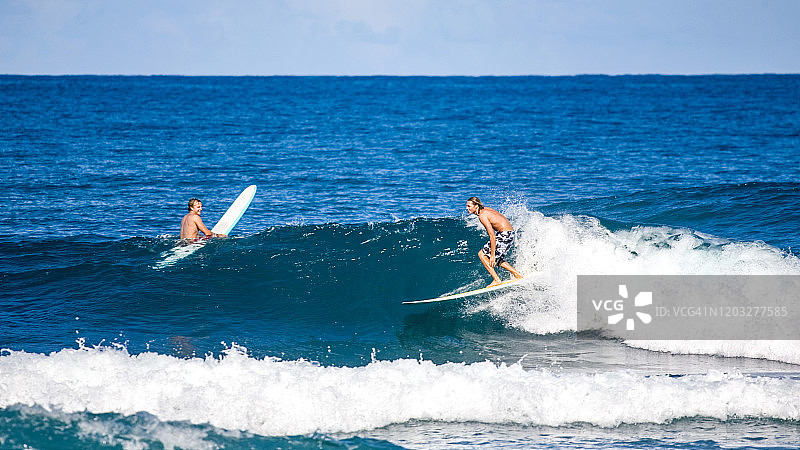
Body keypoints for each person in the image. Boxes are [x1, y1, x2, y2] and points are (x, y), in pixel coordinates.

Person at [466, 196, 523, 287]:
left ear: (476, 206)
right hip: (509, 233)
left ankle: (496, 279)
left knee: (482, 254)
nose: (467, 208)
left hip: (504, 234)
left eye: (469, 206)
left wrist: (492, 255)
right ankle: (517, 274)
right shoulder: (486, 209)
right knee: (496, 259)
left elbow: (492, 235)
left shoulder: (482, 215)